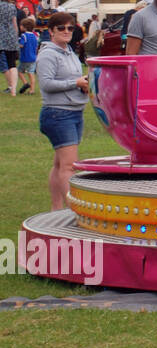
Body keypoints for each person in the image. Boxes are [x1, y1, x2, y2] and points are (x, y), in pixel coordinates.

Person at [36, 12, 89, 211]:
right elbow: (47, 84)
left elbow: (70, 79)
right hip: (58, 113)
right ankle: (72, 211)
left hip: (74, 111)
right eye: (61, 28)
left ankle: (56, 209)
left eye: (70, 28)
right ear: (51, 31)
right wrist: (75, 82)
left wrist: (83, 83)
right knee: (69, 167)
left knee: (60, 165)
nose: (66, 32)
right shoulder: (48, 54)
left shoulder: (68, 51)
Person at [0, 0, 20, 95]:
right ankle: (13, 90)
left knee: (3, 64)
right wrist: (15, 36)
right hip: (11, 35)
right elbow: (14, 23)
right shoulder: (12, 7)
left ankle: (10, 85)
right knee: (12, 63)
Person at [17, 16, 39, 94]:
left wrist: (17, 44)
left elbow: (21, 45)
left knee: (19, 71)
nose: (20, 27)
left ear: (24, 27)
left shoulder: (24, 36)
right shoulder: (35, 36)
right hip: (33, 58)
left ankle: (25, 83)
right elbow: (36, 47)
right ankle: (32, 90)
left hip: (25, 58)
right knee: (31, 73)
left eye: (21, 25)